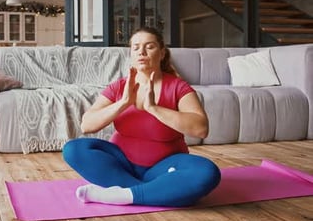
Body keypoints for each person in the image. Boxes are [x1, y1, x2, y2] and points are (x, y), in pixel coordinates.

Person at [62, 27, 221, 207]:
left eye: (149, 46)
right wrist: (123, 103)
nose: (142, 52)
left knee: (207, 172)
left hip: (164, 168)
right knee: (73, 149)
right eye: (136, 47)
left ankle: (120, 194)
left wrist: (153, 108)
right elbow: (86, 125)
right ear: (131, 54)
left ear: (162, 53)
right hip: (121, 166)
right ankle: (153, 192)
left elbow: (201, 129)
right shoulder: (119, 87)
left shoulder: (178, 87)